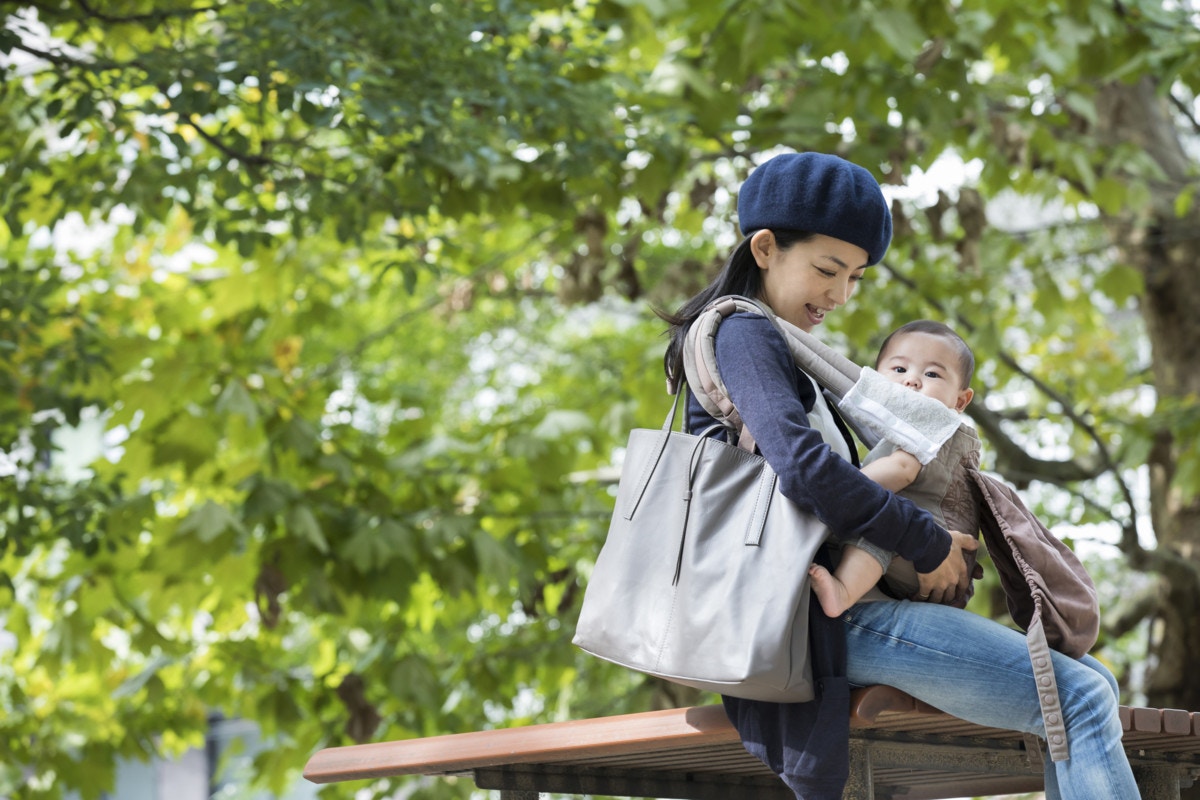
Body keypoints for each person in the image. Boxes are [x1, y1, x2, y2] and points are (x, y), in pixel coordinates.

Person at [660, 151, 1139, 800]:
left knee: (1090, 687)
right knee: (1079, 698)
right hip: (815, 614)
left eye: (854, 277)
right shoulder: (745, 334)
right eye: (828, 270)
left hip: (836, 605)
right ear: (766, 248)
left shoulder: (783, 346)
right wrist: (925, 540)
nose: (840, 295)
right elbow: (805, 471)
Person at [808, 319, 976, 618]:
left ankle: (843, 592)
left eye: (932, 374)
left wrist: (839, 491)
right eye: (899, 370)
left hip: (927, 551)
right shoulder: (904, 426)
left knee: (879, 523)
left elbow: (902, 470)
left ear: (961, 400)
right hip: (930, 561)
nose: (912, 381)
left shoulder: (929, 421)